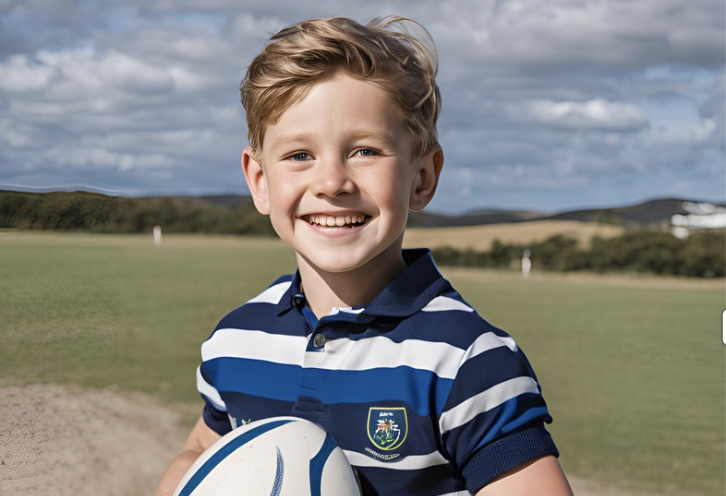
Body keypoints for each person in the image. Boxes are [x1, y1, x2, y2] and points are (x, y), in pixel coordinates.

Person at [155, 16, 573, 496]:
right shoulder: (236, 342)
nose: (332, 182)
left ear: (422, 178)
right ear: (259, 180)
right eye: (298, 155)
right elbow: (199, 453)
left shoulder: (466, 361)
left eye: (365, 151)